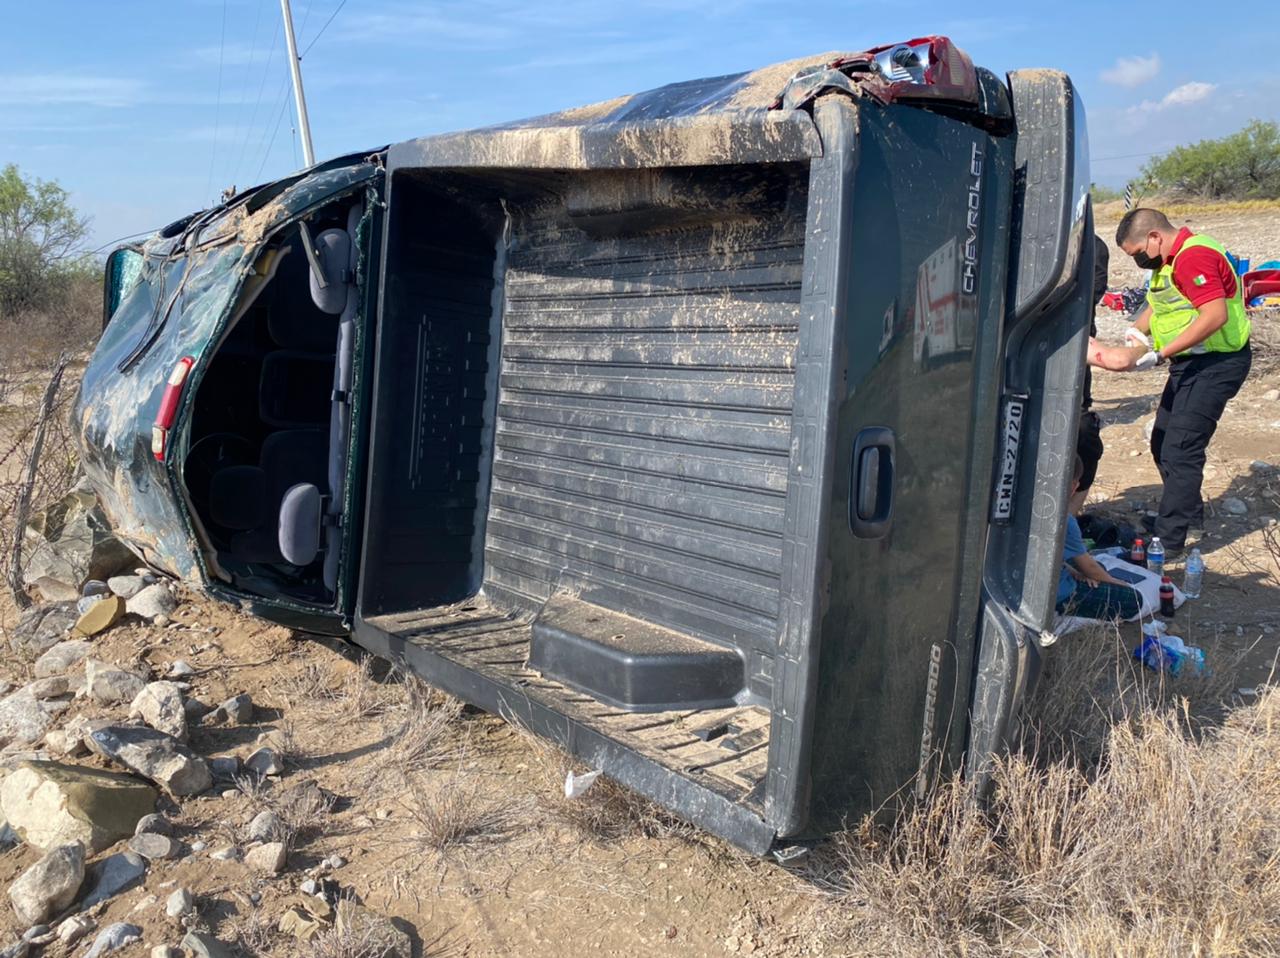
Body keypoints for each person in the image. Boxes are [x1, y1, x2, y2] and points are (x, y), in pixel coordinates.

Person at [1088, 208, 1252, 555]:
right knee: (1162, 440)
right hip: (1190, 364)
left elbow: (1215, 315)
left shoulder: (1194, 257)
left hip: (1215, 364)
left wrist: (1161, 354)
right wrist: (1137, 330)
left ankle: (1170, 539)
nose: (1139, 261)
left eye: (1138, 253)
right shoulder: (1168, 261)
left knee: (1181, 448)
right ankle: (1186, 516)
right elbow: (1159, 305)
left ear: (1154, 237)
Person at [1058, 456, 1142, 621]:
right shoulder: (1064, 519)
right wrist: (1116, 582)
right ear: (1074, 486)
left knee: (1091, 565)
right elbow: (1090, 568)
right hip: (1057, 596)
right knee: (1133, 600)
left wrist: (1074, 571)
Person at [1071, 234, 1110, 516]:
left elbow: (1094, 290)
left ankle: (1069, 518)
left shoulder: (1092, 244)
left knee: (1082, 428)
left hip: (1076, 335)